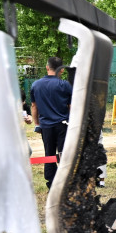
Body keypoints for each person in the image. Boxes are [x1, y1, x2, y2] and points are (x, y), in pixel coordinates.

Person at [30, 56, 72, 189]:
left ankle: (51, 184)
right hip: (63, 124)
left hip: (46, 126)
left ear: (47, 67)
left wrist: (37, 124)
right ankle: (66, 183)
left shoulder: (36, 85)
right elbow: (71, 106)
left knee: (49, 154)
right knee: (64, 154)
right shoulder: (65, 84)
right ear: (61, 70)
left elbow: (34, 106)